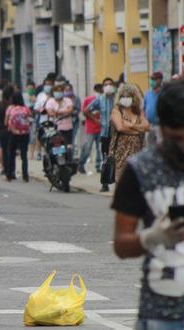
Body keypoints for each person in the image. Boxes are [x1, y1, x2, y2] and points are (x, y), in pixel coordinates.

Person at [112, 79, 184, 330]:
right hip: (160, 315)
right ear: (161, 128)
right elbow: (121, 244)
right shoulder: (140, 169)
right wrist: (153, 237)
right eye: (176, 138)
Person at [109, 84, 150, 180]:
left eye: (128, 96)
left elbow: (147, 126)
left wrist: (131, 125)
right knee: (122, 178)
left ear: (134, 97)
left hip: (138, 149)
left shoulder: (138, 111)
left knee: (137, 179)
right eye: (123, 96)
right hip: (121, 151)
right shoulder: (117, 110)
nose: (126, 98)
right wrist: (137, 131)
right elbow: (120, 127)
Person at [87, 77, 117, 192]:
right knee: (106, 158)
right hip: (105, 133)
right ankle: (105, 183)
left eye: (110, 84)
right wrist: (97, 120)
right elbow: (87, 110)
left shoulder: (118, 98)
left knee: (118, 158)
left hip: (118, 133)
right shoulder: (100, 99)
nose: (108, 86)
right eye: (106, 84)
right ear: (103, 87)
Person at [5, 91, 32, 182]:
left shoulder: (10, 108)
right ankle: (25, 175)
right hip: (25, 134)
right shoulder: (26, 109)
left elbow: (6, 122)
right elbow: (30, 120)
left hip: (13, 133)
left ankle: (9, 174)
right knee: (24, 155)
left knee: (11, 154)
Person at [78, 84, 103, 174]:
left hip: (101, 128)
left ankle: (98, 166)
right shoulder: (88, 100)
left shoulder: (104, 100)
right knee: (88, 147)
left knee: (99, 148)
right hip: (91, 128)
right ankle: (81, 163)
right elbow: (84, 112)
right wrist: (95, 119)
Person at [0, 85, 14, 175]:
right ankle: (9, 168)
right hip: (10, 129)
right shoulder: (12, 106)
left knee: (1, 148)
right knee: (9, 149)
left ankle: (4, 167)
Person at [34, 77, 54, 160]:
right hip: (43, 120)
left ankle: (49, 152)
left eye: (49, 84)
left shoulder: (55, 95)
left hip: (53, 120)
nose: (48, 86)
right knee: (40, 137)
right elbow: (36, 108)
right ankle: (38, 152)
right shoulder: (40, 96)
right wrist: (42, 110)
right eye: (46, 84)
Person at [144, 72, 163, 146]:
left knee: (161, 146)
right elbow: (143, 108)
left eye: (154, 79)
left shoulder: (163, 92)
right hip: (149, 125)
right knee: (149, 146)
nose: (151, 81)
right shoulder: (147, 93)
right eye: (151, 79)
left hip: (160, 125)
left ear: (160, 80)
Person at [64, 84, 82, 150]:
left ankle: (71, 156)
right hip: (64, 122)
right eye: (66, 90)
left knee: (72, 139)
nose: (68, 91)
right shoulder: (62, 99)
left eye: (69, 90)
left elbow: (78, 109)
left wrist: (70, 112)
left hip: (74, 121)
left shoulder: (76, 98)